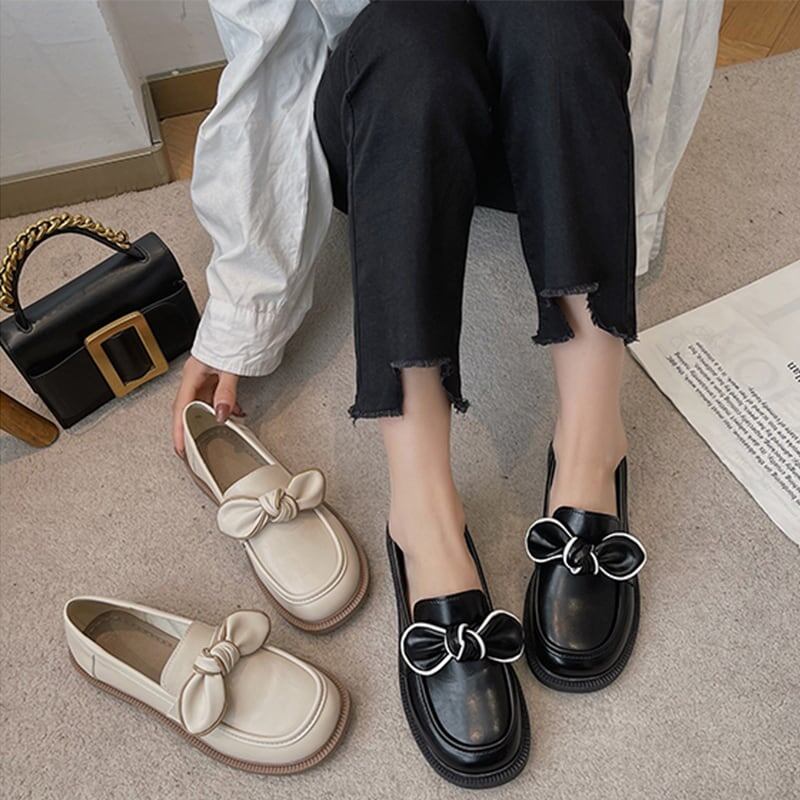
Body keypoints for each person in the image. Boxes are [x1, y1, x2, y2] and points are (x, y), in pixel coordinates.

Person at [171, 0, 720, 787]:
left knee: (558, 17)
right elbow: (273, 41)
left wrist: (634, 198)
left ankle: (591, 443)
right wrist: (244, 307)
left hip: (554, 102)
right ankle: (423, 514)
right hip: (391, 119)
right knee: (406, 44)